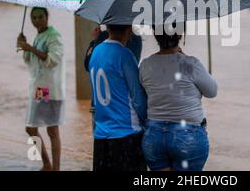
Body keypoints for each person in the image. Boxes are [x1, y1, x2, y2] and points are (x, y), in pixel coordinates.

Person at [138, 23, 218, 171]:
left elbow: (144, 95)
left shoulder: (145, 65)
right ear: (180, 34)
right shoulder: (190, 63)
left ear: (156, 35)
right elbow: (212, 91)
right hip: (187, 136)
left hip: (154, 137)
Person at [88, 24, 147, 171]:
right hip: (126, 135)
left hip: (100, 135)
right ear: (128, 30)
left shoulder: (96, 51)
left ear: (107, 28)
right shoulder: (125, 55)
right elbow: (138, 98)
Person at [16, 7, 65, 171]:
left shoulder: (54, 36)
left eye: (40, 17)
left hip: (50, 89)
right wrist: (24, 46)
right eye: (34, 18)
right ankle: (47, 164)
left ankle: (54, 168)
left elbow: (52, 60)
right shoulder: (39, 36)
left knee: (52, 129)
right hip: (40, 89)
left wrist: (30, 48)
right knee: (31, 128)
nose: (37, 20)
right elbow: (31, 63)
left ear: (47, 17)